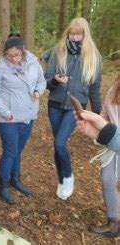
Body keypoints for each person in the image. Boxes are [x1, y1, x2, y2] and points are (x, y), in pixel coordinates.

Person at [44, 17, 102, 200]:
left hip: (74, 107)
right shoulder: (57, 52)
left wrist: (99, 115)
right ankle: (61, 180)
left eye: (78, 34)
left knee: (60, 143)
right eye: (72, 33)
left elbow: (94, 89)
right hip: (54, 105)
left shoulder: (94, 57)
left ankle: (68, 177)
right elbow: (46, 81)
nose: (75, 37)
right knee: (57, 144)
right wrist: (55, 80)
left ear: (85, 35)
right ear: (67, 33)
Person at [0, 33, 47, 204]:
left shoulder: (33, 63)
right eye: (9, 55)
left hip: (28, 116)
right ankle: (3, 184)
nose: (13, 59)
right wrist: (5, 112)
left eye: (16, 55)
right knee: (10, 150)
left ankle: (15, 179)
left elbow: (41, 82)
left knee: (18, 151)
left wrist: (37, 91)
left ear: (23, 51)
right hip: (9, 119)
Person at [77, 75, 120, 237]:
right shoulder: (115, 87)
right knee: (108, 181)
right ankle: (114, 223)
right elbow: (104, 112)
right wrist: (96, 125)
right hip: (112, 144)